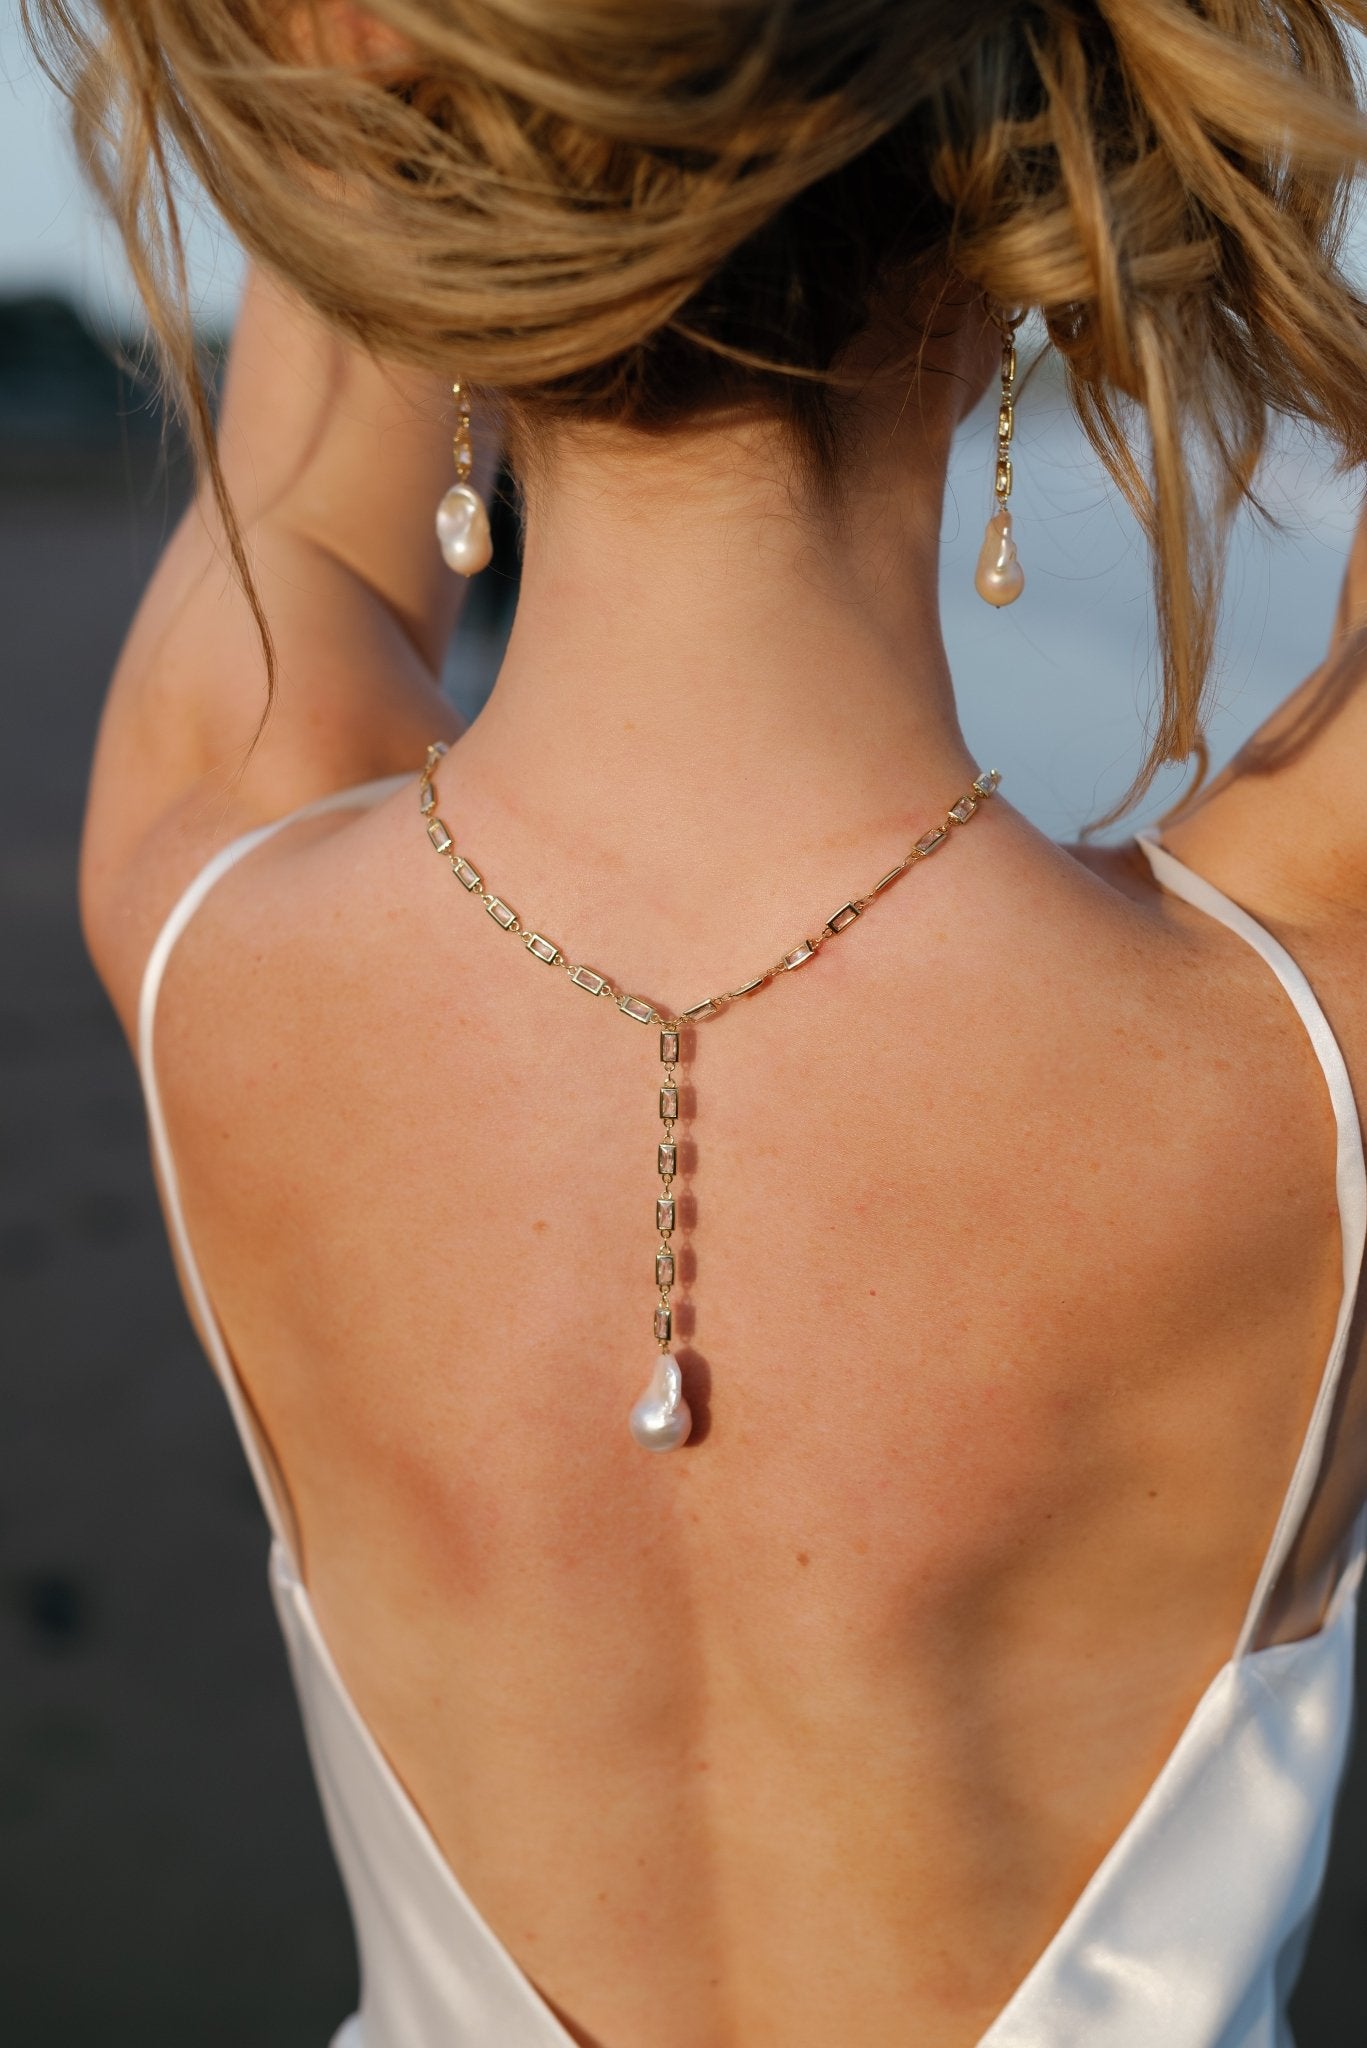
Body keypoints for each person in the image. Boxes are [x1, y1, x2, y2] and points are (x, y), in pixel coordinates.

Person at [30, 0, 1367, 2041]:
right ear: (1025, 201)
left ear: (425, 200)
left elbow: (303, 504)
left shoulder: (209, 907)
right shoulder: (1305, 1055)